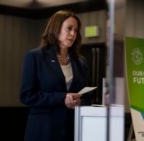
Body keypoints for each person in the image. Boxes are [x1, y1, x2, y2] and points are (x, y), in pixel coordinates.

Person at [20, 10, 92, 141]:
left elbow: (88, 98)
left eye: (76, 30)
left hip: (72, 129)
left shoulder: (80, 61)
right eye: (69, 28)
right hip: (43, 130)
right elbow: (27, 96)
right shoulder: (35, 56)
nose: (73, 34)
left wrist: (79, 101)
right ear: (55, 28)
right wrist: (62, 98)